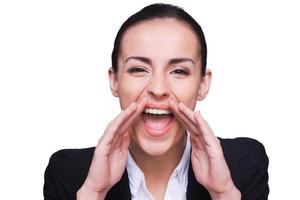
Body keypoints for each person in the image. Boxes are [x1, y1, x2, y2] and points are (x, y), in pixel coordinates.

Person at [44, 3, 269, 200]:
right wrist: (93, 192)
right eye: (139, 69)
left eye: (179, 71)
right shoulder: (68, 172)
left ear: (203, 83)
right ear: (114, 80)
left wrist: (223, 194)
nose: (158, 89)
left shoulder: (245, 164)